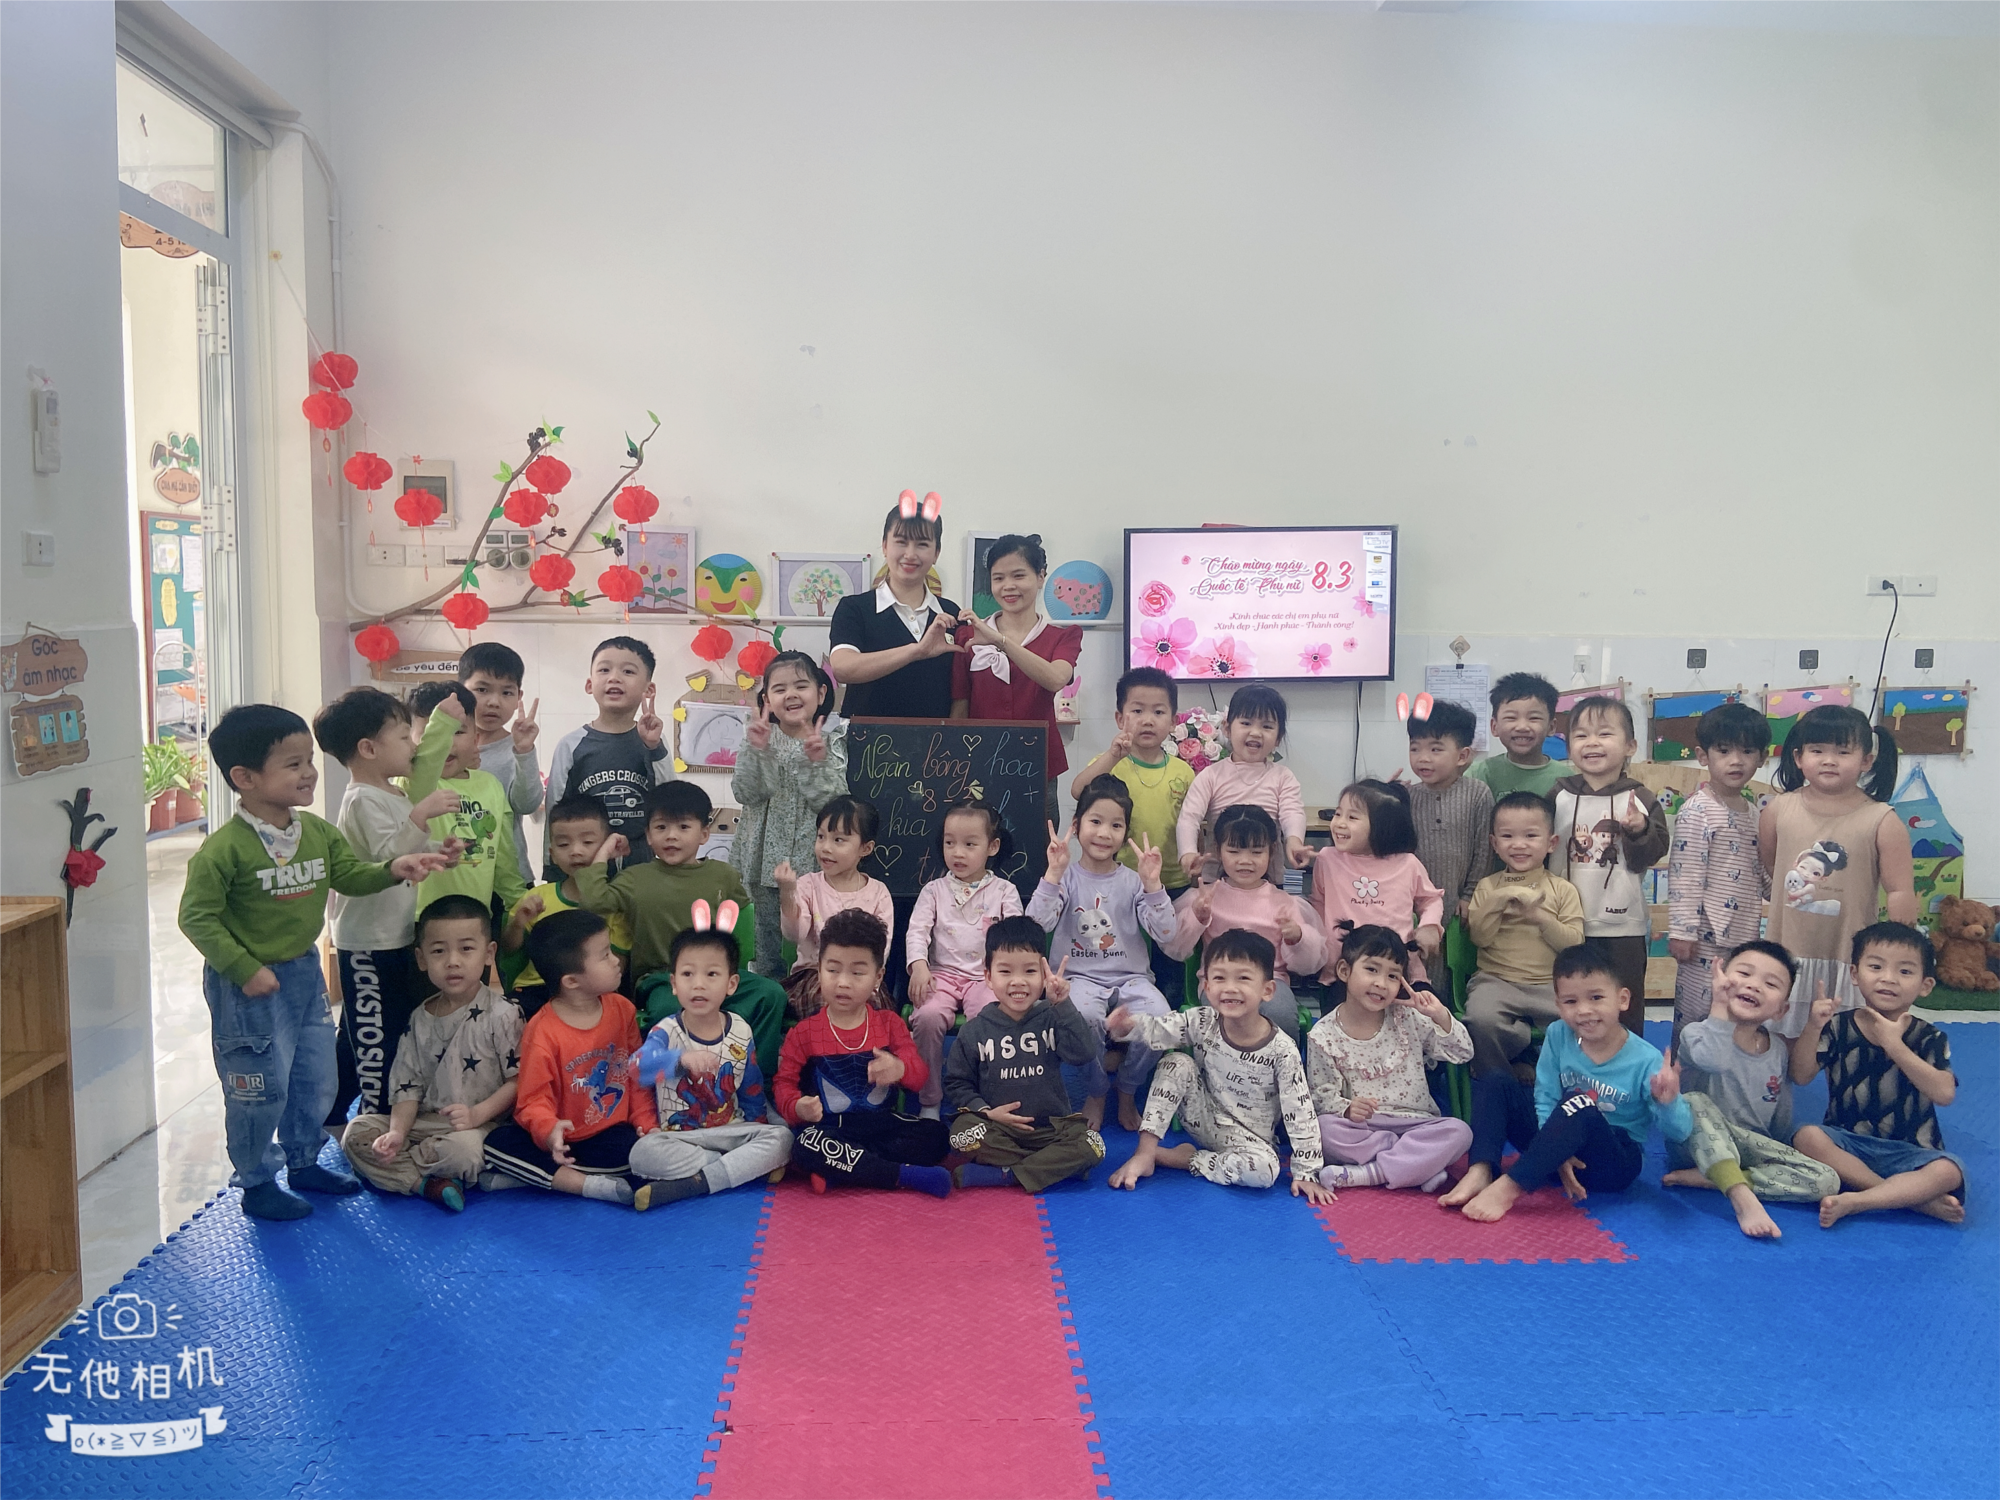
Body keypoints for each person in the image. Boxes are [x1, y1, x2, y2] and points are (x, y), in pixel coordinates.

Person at [178, 704, 450, 1220]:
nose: (309, 772)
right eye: (293, 764)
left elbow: (350, 876)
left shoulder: (316, 833)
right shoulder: (223, 850)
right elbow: (196, 918)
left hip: (303, 973)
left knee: (315, 1078)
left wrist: (395, 867)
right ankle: (257, 1181)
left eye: (309, 761)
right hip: (248, 987)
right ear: (245, 778)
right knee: (260, 1089)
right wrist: (244, 969)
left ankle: (304, 1161)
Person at [1442, 941, 1691, 1222]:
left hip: (1612, 1163)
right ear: (1558, 1006)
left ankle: (1509, 1187)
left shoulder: (1646, 1060)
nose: (1583, 1010)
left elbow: (1681, 1132)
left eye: (1596, 998)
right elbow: (1545, 1095)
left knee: (1579, 1102)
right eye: (1571, 1002)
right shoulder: (1558, 1034)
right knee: (1496, 1080)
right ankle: (1481, 1170)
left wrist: (1668, 1102)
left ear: (1622, 999)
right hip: (1556, 1154)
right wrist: (1555, 1151)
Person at [311, 686, 459, 1126]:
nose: (413, 745)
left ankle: (333, 1112)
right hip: (367, 942)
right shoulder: (361, 799)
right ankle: (374, 1122)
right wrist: (422, 815)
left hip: (393, 935)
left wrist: (437, 852)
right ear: (368, 748)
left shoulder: (391, 794)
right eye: (403, 736)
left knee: (365, 1029)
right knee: (376, 1038)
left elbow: (405, 852)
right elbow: (386, 857)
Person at [572, 781, 784, 1080]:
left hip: (715, 974)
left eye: (684, 827)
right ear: (648, 835)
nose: (671, 836)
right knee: (669, 1011)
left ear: (704, 834)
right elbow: (594, 901)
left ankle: (755, 1081)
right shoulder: (635, 878)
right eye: (661, 827)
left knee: (771, 993)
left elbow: (740, 916)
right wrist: (605, 851)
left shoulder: (723, 875)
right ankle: (676, 1084)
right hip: (661, 978)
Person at [1104, 930, 1332, 1204]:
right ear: (1207, 987)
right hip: (1202, 1117)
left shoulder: (1283, 1050)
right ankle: (1145, 1153)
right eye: (1220, 978)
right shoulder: (1203, 1021)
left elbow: (1301, 1113)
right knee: (1176, 1063)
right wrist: (1128, 1027)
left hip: (1250, 1140)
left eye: (1243, 978)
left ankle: (1185, 1159)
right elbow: (1160, 1029)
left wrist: (1307, 1172)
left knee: (1266, 1172)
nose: (1230, 988)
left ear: (1267, 990)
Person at [341, 895, 525, 1212]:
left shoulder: (504, 1014)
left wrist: (476, 1115)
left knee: (465, 1152)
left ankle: (403, 1174)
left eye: (466, 949)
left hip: (478, 1127)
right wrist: (397, 1133)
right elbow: (407, 1086)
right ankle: (425, 1184)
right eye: (439, 951)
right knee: (355, 1134)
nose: (452, 961)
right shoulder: (419, 1018)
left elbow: (518, 1081)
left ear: (488, 953)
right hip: (423, 1124)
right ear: (421, 958)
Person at [1791, 923, 1965, 1228]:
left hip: (1911, 1151)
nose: (1888, 978)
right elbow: (1801, 1076)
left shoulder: (1929, 1037)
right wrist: (1813, 1026)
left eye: (1905, 971)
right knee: (1806, 1137)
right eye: (1876, 967)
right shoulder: (1838, 1026)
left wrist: (1894, 1045)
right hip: (1847, 1142)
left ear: (1925, 985)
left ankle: (1859, 1200)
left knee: (1948, 1171)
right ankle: (1911, 1199)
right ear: (1855, 974)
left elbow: (1944, 1093)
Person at [1660, 940, 1837, 1239]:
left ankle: (1718, 1178)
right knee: (1695, 1102)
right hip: (1694, 1143)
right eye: (1744, 973)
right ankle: (1741, 1197)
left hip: (1747, 1147)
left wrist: (1778, 1149)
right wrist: (1719, 1005)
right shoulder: (1696, 1034)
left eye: (1770, 983)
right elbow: (1713, 1060)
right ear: (1720, 980)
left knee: (1827, 1180)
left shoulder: (1777, 1049)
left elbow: (1781, 1109)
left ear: (1781, 1010)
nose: (1754, 985)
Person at [1028, 777, 1177, 1131]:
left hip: (1132, 979)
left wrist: (1153, 885)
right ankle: (1096, 1091)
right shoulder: (1066, 877)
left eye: (1116, 825)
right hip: (1077, 979)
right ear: (1076, 825)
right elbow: (1036, 925)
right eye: (1095, 821)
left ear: (1125, 833)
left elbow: (1166, 933)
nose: (1104, 833)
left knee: (1161, 1019)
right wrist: (1052, 874)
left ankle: (1127, 1088)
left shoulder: (1133, 880)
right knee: (1082, 1017)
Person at [481, 909, 658, 1206]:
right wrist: (549, 1130)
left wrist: (646, 1124)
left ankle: (531, 1179)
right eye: (605, 955)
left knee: (639, 1156)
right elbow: (532, 1100)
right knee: (495, 1144)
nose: (616, 960)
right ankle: (585, 1186)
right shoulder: (542, 1031)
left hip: (614, 1136)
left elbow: (636, 1075)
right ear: (572, 981)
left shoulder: (622, 1009)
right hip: (561, 1142)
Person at [1759, 705, 1916, 1037]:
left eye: (1842, 752)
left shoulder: (1882, 819)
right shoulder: (1778, 809)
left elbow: (1900, 889)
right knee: (1781, 1038)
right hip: (1788, 950)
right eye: (1817, 750)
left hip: (1850, 956)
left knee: (1849, 1040)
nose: (1829, 760)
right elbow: (1772, 864)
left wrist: (1902, 952)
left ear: (1866, 760)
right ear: (1799, 757)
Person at [774, 909, 952, 1197]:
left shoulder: (889, 1024)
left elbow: (919, 1077)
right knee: (804, 1145)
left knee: (938, 1137)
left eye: (857, 973)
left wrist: (900, 1069)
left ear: (878, 977)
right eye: (833, 970)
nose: (843, 982)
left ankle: (844, 1169)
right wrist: (797, 1107)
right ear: (819, 969)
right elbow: (783, 1084)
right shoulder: (804, 1033)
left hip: (881, 1125)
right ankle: (904, 1175)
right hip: (831, 1128)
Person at [628, 905, 793, 1208]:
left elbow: (751, 1087)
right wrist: (679, 1061)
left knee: (783, 1138)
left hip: (732, 1131)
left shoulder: (740, 1029)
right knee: (641, 1154)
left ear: (731, 984)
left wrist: (758, 1127)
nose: (698, 984)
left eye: (712, 974)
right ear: (674, 984)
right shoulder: (666, 1031)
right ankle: (736, 1170)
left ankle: (695, 1183)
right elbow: (637, 1069)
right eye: (687, 974)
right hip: (680, 1138)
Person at [1307, 924, 1473, 1192]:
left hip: (1417, 1124)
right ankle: (1417, 1166)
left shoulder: (1409, 1018)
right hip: (1366, 1128)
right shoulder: (1323, 1034)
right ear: (1344, 971)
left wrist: (1440, 1015)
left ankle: (1370, 1173)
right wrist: (1347, 1108)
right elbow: (1321, 1095)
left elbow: (1462, 1052)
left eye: (1393, 976)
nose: (1381, 983)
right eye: (1372, 970)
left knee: (1460, 1132)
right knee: (1324, 1129)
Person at [944, 917, 1104, 1191]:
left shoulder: (1053, 1017)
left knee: (1094, 1144)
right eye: (1005, 972)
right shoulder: (974, 1030)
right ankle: (1052, 1168)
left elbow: (1084, 1053)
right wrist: (987, 1112)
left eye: (1030, 971)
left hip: (1052, 1130)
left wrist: (1063, 1005)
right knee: (962, 1134)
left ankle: (1006, 1175)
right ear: (988, 977)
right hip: (1000, 1130)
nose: (1018, 982)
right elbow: (957, 1083)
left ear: (1044, 975)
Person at [1068, 667, 1197, 1002]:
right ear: (1119, 718)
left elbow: (1194, 823)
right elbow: (1078, 790)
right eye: (1137, 711)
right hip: (1119, 883)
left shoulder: (1184, 772)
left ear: (1173, 721)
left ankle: (1163, 1020)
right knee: (1122, 952)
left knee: (1169, 964)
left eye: (1159, 712)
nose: (1148, 720)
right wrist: (1113, 755)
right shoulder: (1111, 763)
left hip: (1171, 881)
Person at [1549, 696, 1668, 1034]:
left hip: (1622, 927)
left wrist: (1639, 830)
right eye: (1581, 735)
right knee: (1571, 1005)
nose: (1592, 742)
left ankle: (1627, 1064)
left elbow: (1653, 853)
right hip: (1566, 923)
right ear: (1569, 748)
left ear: (1630, 746)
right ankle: (1572, 1063)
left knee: (1624, 1006)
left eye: (1604, 733)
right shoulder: (1558, 795)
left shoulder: (1640, 798)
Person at [729, 650, 848, 979]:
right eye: (779, 689)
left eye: (801, 686)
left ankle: (809, 992)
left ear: (821, 693)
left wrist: (817, 763)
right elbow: (747, 793)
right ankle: (766, 994)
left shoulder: (834, 743)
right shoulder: (758, 736)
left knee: (813, 940)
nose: (791, 694)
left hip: (813, 862)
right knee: (763, 946)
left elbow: (834, 805)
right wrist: (759, 751)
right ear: (767, 699)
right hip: (761, 862)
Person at [1162, 804, 1324, 1044]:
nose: (1245, 861)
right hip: (1219, 981)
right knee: (1218, 1024)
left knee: (1280, 1013)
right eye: (1234, 851)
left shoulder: (1284, 902)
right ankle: (1215, 1067)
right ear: (1218, 851)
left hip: (1270, 982)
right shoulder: (1206, 896)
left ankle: (1281, 1066)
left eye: (1257, 852)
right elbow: (1175, 946)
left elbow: (1309, 964)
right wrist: (1198, 916)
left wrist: (1296, 937)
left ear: (1272, 851)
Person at [907, 798, 1026, 1118]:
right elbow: (917, 931)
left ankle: (983, 1096)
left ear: (992, 846)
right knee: (927, 1016)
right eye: (950, 843)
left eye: (969, 844)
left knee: (991, 1018)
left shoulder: (1004, 891)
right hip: (940, 975)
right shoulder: (934, 890)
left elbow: (1014, 938)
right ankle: (930, 1099)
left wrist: (1004, 977)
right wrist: (919, 966)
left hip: (986, 978)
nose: (957, 853)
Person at [950, 532, 1082, 815]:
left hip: (1039, 767)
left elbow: (1056, 678)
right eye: (998, 578)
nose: (1008, 586)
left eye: (1019, 575)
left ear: (1041, 576)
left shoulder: (1063, 636)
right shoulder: (967, 636)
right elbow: (960, 704)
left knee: (1040, 840)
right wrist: (957, 763)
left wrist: (1000, 642)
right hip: (979, 764)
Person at [1463, 792, 1587, 1079]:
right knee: (1480, 1020)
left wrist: (1539, 917)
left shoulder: (1562, 889)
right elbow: (1480, 938)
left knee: (1583, 1019)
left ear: (1551, 843)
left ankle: (1551, 1070)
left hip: (1550, 984)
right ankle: (1505, 1070)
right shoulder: (1487, 886)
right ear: (1494, 843)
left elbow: (1574, 944)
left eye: (1531, 836)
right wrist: (1499, 899)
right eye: (1507, 836)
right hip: (1496, 981)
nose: (1518, 844)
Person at [1667, 700, 1772, 1039]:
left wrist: (1788, 891)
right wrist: (1682, 930)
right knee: (1696, 1015)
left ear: (1762, 758)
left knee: (1734, 1011)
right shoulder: (1697, 811)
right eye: (1724, 751)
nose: (1736, 760)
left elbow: (1760, 869)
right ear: (1703, 756)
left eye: (1747, 751)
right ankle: (1683, 1071)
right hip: (1704, 936)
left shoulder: (1754, 813)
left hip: (1744, 934)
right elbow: (1685, 874)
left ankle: (1728, 1071)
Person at [826, 491, 964, 720]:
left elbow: (961, 691)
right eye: (901, 542)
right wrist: (916, 651)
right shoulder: (855, 608)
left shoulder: (951, 613)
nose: (910, 554)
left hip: (935, 740)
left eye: (922, 544)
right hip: (867, 739)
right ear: (884, 546)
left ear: (936, 553)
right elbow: (843, 668)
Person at [402, 682, 530, 928]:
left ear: (476, 738)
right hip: (418, 922)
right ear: (410, 740)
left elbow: (503, 858)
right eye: (433, 732)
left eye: (458, 732)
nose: (447, 743)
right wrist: (442, 723)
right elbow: (424, 770)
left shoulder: (491, 785)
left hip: (477, 921)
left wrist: (519, 900)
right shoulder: (410, 783)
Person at [544, 635, 673, 872]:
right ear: (589, 684)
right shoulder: (571, 744)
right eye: (604, 670)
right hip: (586, 864)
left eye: (628, 671)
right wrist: (551, 865)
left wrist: (653, 747)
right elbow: (555, 809)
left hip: (642, 862)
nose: (614, 677)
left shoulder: (654, 740)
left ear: (649, 689)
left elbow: (668, 798)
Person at [500, 797, 635, 1014]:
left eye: (588, 842)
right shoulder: (537, 897)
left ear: (607, 848)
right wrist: (519, 923)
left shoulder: (615, 903)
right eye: (564, 844)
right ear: (552, 854)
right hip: (536, 989)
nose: (575, 851)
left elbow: (616, 966)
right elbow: (509, 949)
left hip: (593, 993)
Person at [1311, 779, 1444, 985]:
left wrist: (1430, 926)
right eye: (1338, 814)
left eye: (1352, 817)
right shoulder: (1327, 859)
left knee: (1428, 1005)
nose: (1340, 823)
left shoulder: (1407, 863)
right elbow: (1318, 905)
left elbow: (1431, 900)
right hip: (1343, 971)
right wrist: (1321, 948)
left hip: (1399, 973)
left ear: (1382, 826)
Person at [773, 795, 895, 1017]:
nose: (826, 847)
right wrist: (788, 893)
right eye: (821, 837)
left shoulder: (878, 893)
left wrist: (861, 978)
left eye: (839, 840)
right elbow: (795, 934)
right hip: (814, 975)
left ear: (865, 848)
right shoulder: (809, 885)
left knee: (872, 1007)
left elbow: (881, 949)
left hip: (861, 977)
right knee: (827, 996)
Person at [1175, 684, 1309, 878]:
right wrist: (1187, 852)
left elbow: (1293, 812)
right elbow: (1189, 817)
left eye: (1267, 726)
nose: (1255, 732)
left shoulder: (1283, 777)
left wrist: (1294, 841)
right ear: (1227, 728)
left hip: (1268, 879)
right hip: (1219, 878)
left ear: (1278, 738)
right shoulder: (1211, 775)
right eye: (1246, 723)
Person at [457, 641, 544, 887]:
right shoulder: (447, 749)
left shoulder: (516, 748)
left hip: (508, 879)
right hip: (455, 875)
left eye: (507, 692)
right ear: (461, 690)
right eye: (482, 689)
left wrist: (524, 751)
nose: (494, 702)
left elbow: (527, 805)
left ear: (519, 697)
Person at [1403, 698, 1493, 923]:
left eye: (1435, 749)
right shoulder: (1407, 796)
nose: (1423, 758)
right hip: (1411, 907)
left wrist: (1470, 895)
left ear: (1462, 756)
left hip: (1459, 907)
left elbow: (1484, 851)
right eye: (1415, 748)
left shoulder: (1477, 793)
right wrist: (1384, 800)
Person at [1466, 672, 1571, 800]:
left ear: (1551, 727)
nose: (1522, 727)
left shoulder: (1567, 779)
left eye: (1534, 718)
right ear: (1494, 726)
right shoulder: (1478, 774)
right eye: (1511, 718)